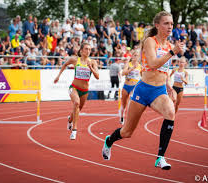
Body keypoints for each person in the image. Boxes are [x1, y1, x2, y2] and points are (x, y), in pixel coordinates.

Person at [102, 11, 184, 170]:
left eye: (172, 24)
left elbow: (164, 69)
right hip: (143, 90)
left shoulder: (168, 45)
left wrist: (169, 86)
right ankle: (109, 141)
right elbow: (153, 63)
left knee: (171, 113)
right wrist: (173, 52)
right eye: (166, 23)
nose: (170, 26)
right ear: (157, 25)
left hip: (159, 91)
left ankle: (160, 158)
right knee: (127, 132)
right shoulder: (150, 42)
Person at [54, 43, 99, 140]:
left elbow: (97, 76)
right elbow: (65, 64)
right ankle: (74, 130)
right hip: (74, 87)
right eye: (86, 49)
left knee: (78, 109)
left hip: (85, 91)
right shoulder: (75, 59)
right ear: (81, 50)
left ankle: (70, 119)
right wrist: (58, 76)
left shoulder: (93, 62)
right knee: (76, 103)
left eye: (90, 49)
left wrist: (91, 68)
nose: (88, 51)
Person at [120, 49, 141, 124]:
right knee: (124, 104)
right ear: (132, 56)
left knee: (131, 103)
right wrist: (132, 69)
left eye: (137, 56)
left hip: (134, 86)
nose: (136, 57)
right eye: (135, 55)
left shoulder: (140, 66)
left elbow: (142, 77)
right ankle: (122, 116)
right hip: (126, 86)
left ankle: (128, 120)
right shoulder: (128, 64)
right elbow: (123, 73)